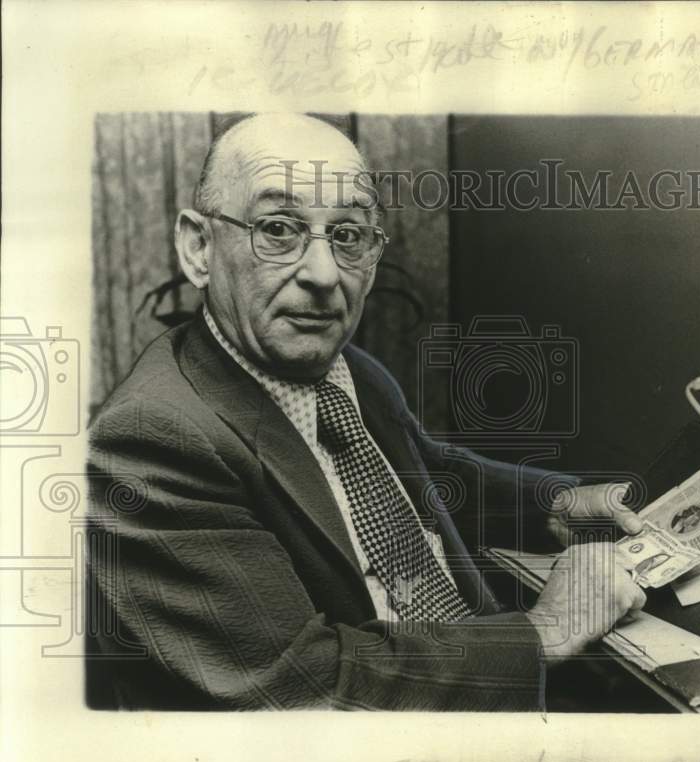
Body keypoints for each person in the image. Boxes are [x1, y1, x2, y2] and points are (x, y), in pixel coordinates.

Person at [86, 113, 646, 711]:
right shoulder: (151, 440)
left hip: (480, 682)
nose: (325, 274)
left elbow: (430, 473)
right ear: (199, 248)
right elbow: (303, 684)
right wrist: (548, 629)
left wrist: (554, 507)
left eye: (349, 235)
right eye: (279, 228)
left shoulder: (348, 371)